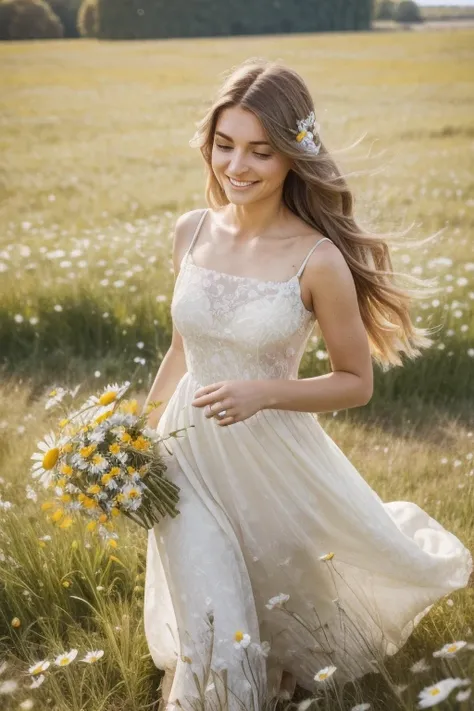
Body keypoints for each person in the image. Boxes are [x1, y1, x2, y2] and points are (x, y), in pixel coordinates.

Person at [142, 58, 473, 710]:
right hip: (184, 452)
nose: (236, 165)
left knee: (277, 603)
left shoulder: (317, 258)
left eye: (260, 151)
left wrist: (262, 391)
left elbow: (356, 382)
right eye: (225, 145)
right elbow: (183, 347)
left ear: (296, 154)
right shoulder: (191, 231)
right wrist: (133, 433)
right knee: (214, 610)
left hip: (269, 454)